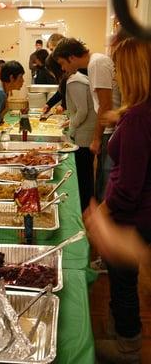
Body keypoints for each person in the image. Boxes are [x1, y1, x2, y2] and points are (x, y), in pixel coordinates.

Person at [88, 37, 151, 363]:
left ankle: (127, 349)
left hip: (133, 216)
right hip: (135, 213)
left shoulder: (140, 117)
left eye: (118, 69)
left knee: (124, 283)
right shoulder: (138, 112)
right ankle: (117, 329)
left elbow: (128, 187)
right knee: (118, 280)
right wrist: (118, 118)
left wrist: (101, 213)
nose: (115, 77)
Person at [53, 38, 121, 203]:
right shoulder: (95, 63)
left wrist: (96, 138)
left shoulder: (96, 64)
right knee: (101, 177)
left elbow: (105, 105)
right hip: (109, 128)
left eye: (62, 63)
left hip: (110, 130)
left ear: (71, 57)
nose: (63, 68)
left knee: (106, 177)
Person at [65, 71, 96, 211]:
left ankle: (84, 209)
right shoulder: (79, 79)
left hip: (83, 136)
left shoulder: (74, 81)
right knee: (86, 174)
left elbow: (82, 111)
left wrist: (72, 125)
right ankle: (86, 206)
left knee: (83, 176)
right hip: (87, 134)